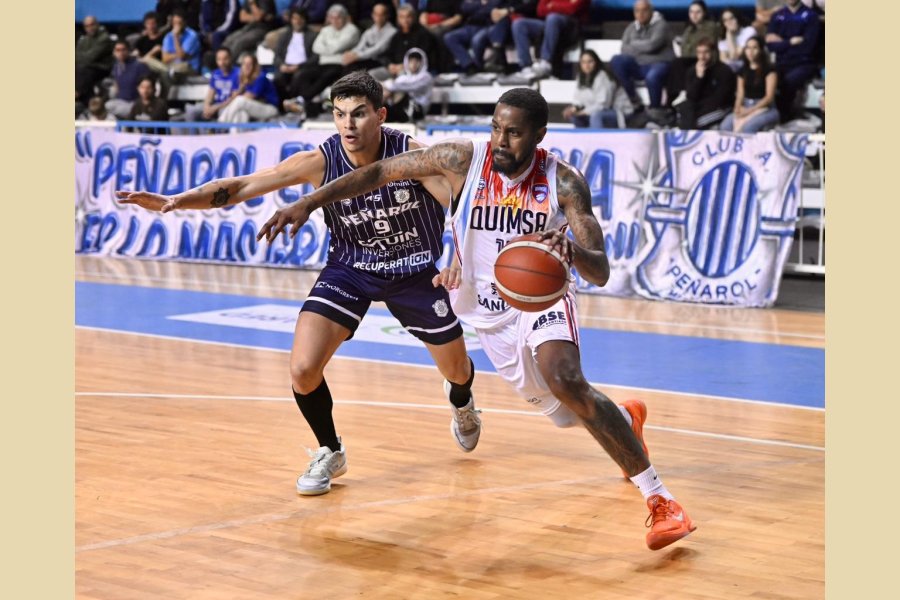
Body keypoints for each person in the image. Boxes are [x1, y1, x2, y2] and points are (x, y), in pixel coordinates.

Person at [255, 87, 697, 551]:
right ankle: (624, 419)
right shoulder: (464, 160)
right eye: (496, 128)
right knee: (565, 417)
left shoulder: (563, 182)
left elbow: (601, 271)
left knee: (566, 378)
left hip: (542, 300)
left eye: (514, 133)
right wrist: (308, 202)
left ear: (539, 136)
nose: (502, 141)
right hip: (489, 314)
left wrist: (572, 250)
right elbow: (380, 171)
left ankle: (662, 501)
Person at [115, 71, 480, 497]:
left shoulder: (413, 156)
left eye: (359, 114)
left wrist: (457, 257)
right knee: (303, 370)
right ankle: (329, 449)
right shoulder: (321, 162)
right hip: (351, 270)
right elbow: (244, 185)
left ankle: (462, 404)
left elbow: (460, 206)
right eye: (340, 114)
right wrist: (177, 201)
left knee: (457, 370)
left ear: (380, 115)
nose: (348, 124)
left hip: (415, 271)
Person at [609, 0, 674, 111]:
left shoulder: (661, 25)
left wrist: (634, 45)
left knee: (652, 76)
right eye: (637, 11)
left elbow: (652, 46)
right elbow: (623, 48)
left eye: (644, 10)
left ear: (651, 11)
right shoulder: (631, 27)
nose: (640, 14)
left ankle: (655, 109)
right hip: (640, 66)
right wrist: (643, 50)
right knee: (617, 60)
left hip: (659, 63)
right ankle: (634, 100)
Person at [765, 0, 820, 121]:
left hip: (804, 63)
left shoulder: (811, 16)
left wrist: (781, 43)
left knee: (789, 81)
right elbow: (770, 45)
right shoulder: (777, 16)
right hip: (781, 63)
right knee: (765, 77)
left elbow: (807, 47)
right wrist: (790, 42)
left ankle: (786, 117)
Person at [512, 0, 588, 80]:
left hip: (572, 25)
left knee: (552, 18)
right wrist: (561, 6)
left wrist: (552, 5)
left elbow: (572, 9)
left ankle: (546, 62)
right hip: (549, 24)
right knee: (519, 24)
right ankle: (526, 67)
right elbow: (540, 10)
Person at [720, 35, 779, 132]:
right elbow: (740, 94)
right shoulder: (742, 71)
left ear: (760, 50)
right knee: (725, 126)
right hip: (746, 105)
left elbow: (769, 98)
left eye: (754, 48)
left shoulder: (770, 70)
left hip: (765, 108)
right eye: (748, 48)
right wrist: (737, 108)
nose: (750, 52)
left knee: (748, 127)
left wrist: (749, 111)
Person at [562, 49, 632, 129]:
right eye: (583, 62)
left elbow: (603, 105)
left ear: (596, 62)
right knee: (574, 116)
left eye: (590, 62)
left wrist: (583, 112)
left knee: (596, 116)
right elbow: (579, 100)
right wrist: (573, 109)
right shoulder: (580, 77)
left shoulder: (603, 76)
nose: (586, 65)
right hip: (594, 111)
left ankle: (597, 140)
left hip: (619, 112)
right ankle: (583, 140)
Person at [677, 37, 735, 129]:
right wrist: (699, 78)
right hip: (699, 108)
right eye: (699, 53)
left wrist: (698, 108)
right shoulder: (692, 71)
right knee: (684, 107)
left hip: (721, 107)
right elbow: (691, 96)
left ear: (713, 52)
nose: (702, 56)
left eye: (706, 52)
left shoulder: (724, 70)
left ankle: (690, 134)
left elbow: (721, 98)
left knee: (695, 122)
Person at [218, 53, 281, 125]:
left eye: (249, 64)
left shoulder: (260, 77)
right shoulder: (239, 78)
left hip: (270, 108)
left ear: (254, 66)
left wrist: (240, 91)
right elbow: (233, 97)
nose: (246, 67)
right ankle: (237, 135)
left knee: (240, 100)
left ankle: (221, 124)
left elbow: (249, 97)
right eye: (244, 64)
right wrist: (240, 88)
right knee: (241, 113)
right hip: (253, 107)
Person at [183, 46, 241, 122]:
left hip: (229, 106)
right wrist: (207, 106)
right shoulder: (215, 73)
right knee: (192, 111)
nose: (222, 63)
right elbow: (210, 94)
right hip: (216, 104)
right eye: (219, 59)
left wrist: (215, 108)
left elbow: (234, 99)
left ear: (230, 59)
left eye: (225, 59)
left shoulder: (238, 74)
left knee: (223, 113)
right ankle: (192, 134)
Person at [341, 3, 397, 75]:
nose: (379, 17)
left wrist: (357, 56)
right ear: (372, 15)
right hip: (367, 59)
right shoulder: (369, 31)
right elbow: (360, 46)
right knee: (348, 65)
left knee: (355, 67)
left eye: (381, 14)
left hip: (382, 61)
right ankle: (342, 85)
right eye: (376, 14)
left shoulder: (392, 31)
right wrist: (351, 53)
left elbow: (377, 49)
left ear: (387, 16)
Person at [382, 48, 434, 122]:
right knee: (387, 91)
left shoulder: (426, 77)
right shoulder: (404, 77)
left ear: (422, 62)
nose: (414, 64)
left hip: (418, 109)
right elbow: (393, 87)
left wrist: (388, 84)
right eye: (411, 61)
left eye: (417, 61)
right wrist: (387, 85)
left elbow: (412, 87)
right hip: (402, 108)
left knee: (397, 89)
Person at [106, 40, 152, 120]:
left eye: (123, 49)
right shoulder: (116, 66)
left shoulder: (139, 65)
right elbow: (116, 83)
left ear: (128, 50)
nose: (121, 53)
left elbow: (148, 86)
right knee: (106, 106)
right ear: (114, 52)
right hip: (120, 101)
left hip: (134, 102)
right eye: (118, 50)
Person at [75, 15, 115, 105]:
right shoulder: (83, 39)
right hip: (87, 68)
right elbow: (76, 56)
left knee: (83, 71)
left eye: (92, 25)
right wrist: (83, 57)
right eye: (87, 26)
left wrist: (83, 57)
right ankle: (85, 102)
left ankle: (77, 94)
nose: (90, 28)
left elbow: (91, 58)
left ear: (97, 25)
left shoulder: (104, 38)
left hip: (102, 69)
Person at [718, 7, 756, 71]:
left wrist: (729, 35)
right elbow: (723, 61)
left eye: (731, 18)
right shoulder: (722, 40)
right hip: (731, 72)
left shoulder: (749, 31)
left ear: (738, 18)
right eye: (725, 20)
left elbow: (735, 56)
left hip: (749, 68)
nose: (729, 22)